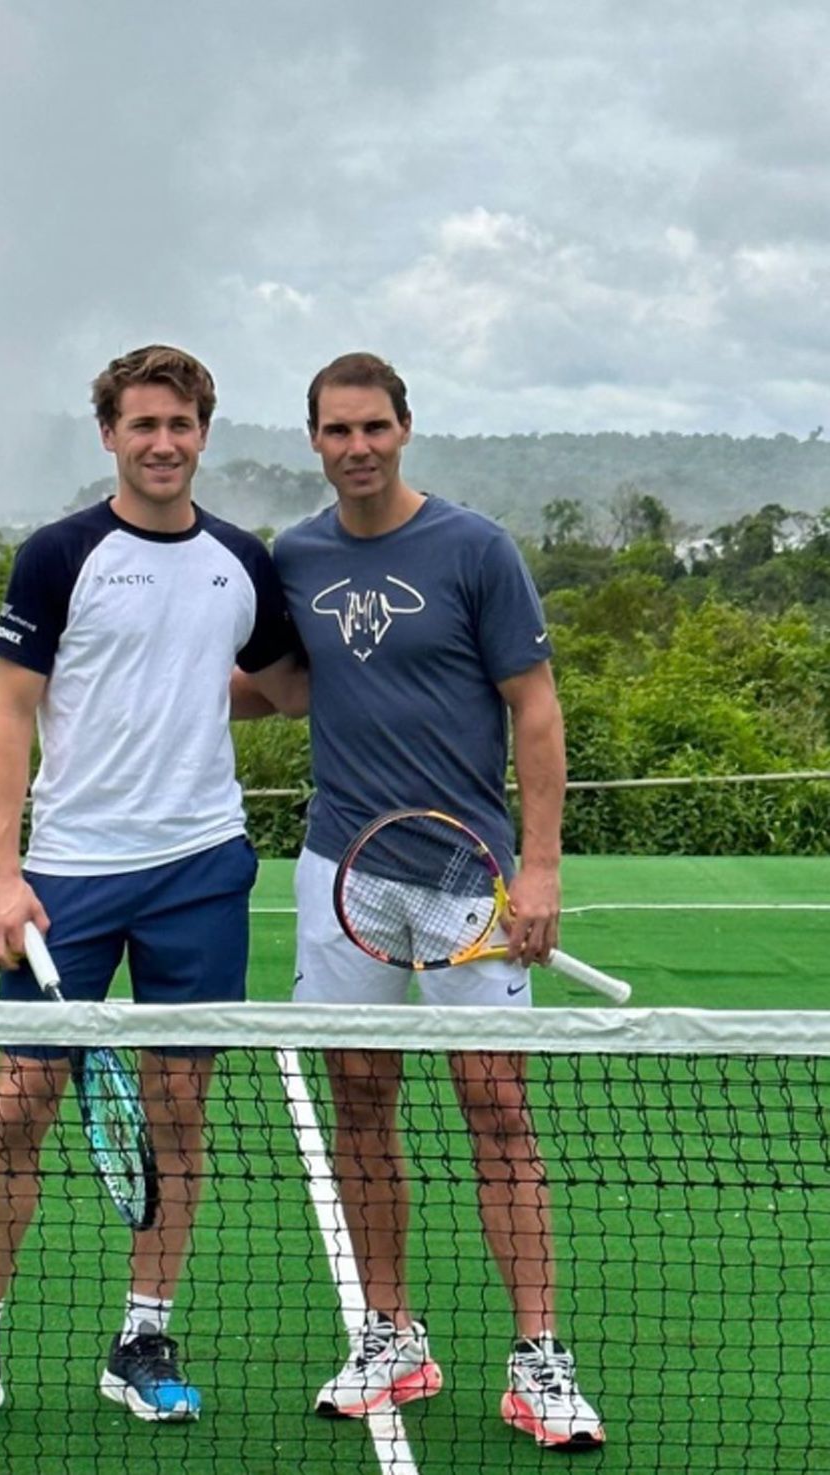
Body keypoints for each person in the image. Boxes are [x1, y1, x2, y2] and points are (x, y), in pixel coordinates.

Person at [0, 345, 300, 1435]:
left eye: (180, 423)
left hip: (202, 870)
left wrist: (192, 704)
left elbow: (284, 685)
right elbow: (7, 712)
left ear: (204, 432)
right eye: (143, 424)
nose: (163, 442)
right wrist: (2, 873)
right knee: (19, 1106)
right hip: (69, 878)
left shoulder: (242, 562)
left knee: (179, 1109)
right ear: (110, 435)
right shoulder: (59, 554)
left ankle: (145, 1333)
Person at [235, 352, 604, 1449]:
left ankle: (538, 1359)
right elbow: (278, 686)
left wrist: (539, 869)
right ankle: (391, 1332)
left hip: (470, 877)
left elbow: (534, 709)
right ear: (313, 440)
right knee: (360, 1100)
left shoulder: (476, 548)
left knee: (497, 1107)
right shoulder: (293, 555)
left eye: (374, 427)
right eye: (337, 431)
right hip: (340, 873)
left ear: (405, 428)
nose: (357, 447)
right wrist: (129, 699)